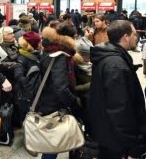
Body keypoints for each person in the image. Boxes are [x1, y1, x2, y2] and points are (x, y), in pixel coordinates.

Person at [89, 20, 146, 159]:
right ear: (125, 37)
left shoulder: (110, 58)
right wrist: (133, 146)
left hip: (108, 135)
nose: (136, 37)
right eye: (133, 34)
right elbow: (120, 110)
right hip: (116, 141)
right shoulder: (115, 65)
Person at [37, 22, 81, 159]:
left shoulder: (50, 48)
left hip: (47, 98)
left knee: (53, 142)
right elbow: (61, 87)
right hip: (54, 104)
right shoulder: (60, 55)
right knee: (53, 144)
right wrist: (74, 102)